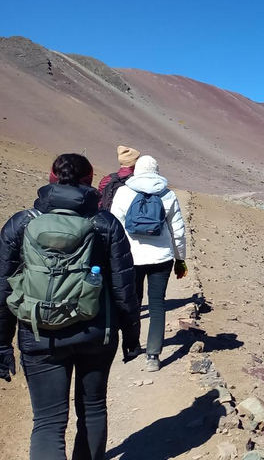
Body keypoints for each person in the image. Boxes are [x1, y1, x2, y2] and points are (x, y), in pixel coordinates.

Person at [0, 153, 141, 460]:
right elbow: (124, 288)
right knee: (92, 410)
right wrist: (131, 338)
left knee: (48, 423)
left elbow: (3, 288)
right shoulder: (105, 224)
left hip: (39, 334)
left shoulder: (21, 223)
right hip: (95, 332)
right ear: (91, 182)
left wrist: (2, 345)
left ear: (52, 179)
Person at [110, 155, 187, 372]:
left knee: (131, 303)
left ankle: (132, 346)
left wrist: (111, 256)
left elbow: (114, 226)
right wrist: (180, 259)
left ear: (137, 170)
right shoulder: (168, 194)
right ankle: (153, 355)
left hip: (130, 258)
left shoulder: (124, 192)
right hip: (161, 259)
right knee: (157, 305)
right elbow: (178, 231)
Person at [97, 145, 140, 211]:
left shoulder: (107, 179)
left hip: (106, 217)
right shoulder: (136, 182)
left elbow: (99, 200)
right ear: (135, 163)